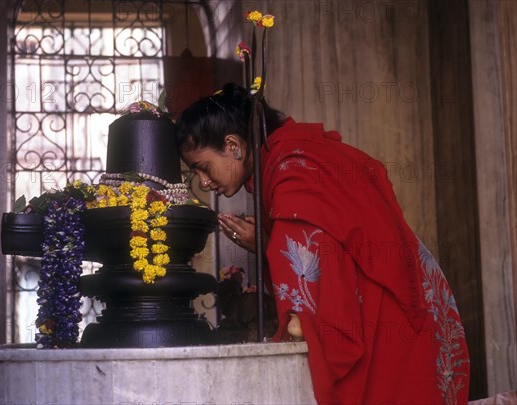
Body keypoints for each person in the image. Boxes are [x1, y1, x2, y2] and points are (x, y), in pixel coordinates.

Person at [176, 83, 470, 404]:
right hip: (397, 294)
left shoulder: (292, 171)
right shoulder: (294, 156)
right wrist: (265, 244)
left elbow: (310, 298)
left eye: (202, 168)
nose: (204, 182)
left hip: (381, 315)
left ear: (233, 145)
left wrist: (265, 247)